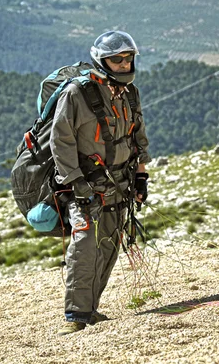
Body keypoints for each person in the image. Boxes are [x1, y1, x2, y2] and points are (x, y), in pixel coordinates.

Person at [50, 31, 151, 336]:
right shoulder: (77, 94)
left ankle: (90, 309)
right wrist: (76, 182)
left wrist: (141, 177)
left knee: (108, 245)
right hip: (85, 184)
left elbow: (138, 136)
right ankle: (75, 316)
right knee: (85, 246)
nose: (123, 64)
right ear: (101, 61)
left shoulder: (129, 93)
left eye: (128, 58)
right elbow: (60, 140)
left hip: (120, 182)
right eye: (116, 59)